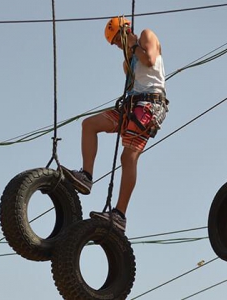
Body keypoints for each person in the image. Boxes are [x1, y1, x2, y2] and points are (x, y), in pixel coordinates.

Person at [62, 16, 168, 232]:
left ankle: (119, 214)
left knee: (128, 157)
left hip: (149, 105)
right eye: (114, 44)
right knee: (89, 125)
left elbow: (149, 59)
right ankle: (86, 176)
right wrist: (129, 54)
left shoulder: (147, 36)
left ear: (126, 30)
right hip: (131, 105)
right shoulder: (127, 61)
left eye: (118, 40)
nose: (118, 45)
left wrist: (132, 45)